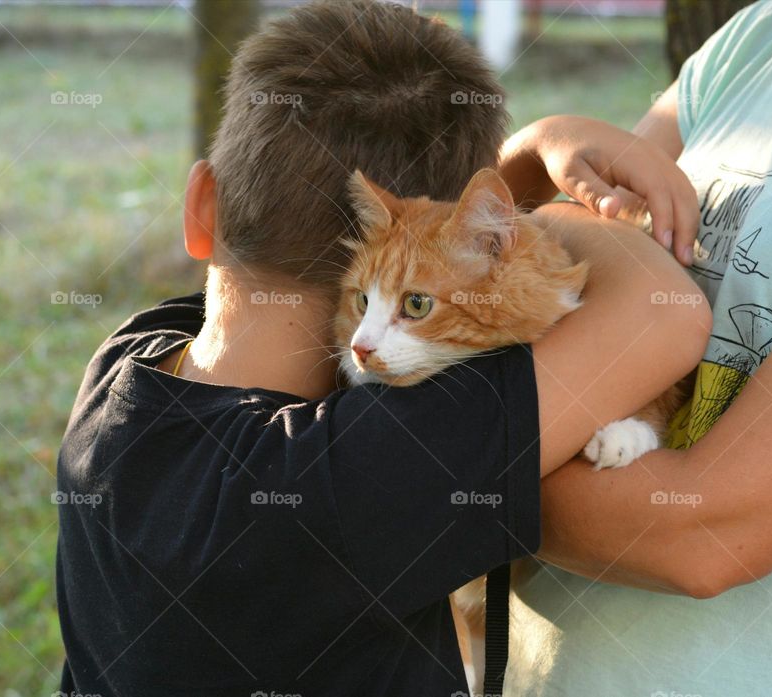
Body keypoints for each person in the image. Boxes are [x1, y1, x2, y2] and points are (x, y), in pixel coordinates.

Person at [54, 2, 707, 695]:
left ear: (201, 208)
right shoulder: (365, 468)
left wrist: (470, 216)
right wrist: (549, 148)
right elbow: (661, 316)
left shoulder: (128, 360)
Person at [497, 0, 772, 695]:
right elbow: (547, 283)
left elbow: (709, 530)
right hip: (542, 669)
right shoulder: (765, 32)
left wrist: (431, 481)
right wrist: (530, 152)